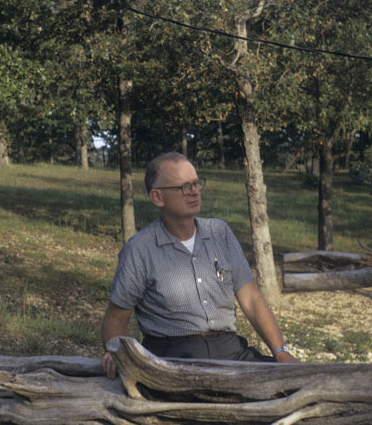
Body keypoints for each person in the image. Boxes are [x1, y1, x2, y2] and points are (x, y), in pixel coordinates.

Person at [101, 151, 297, 379]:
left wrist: (281, 352)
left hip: (230, 351)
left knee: (293, 384)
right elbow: (117, 316)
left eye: (196, 183)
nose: (194, 191)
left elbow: (251, 299)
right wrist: (114, 351)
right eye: (184, 187)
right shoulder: (139, 249)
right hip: (172, 359)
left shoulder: (220, 233)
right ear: (158, 197)